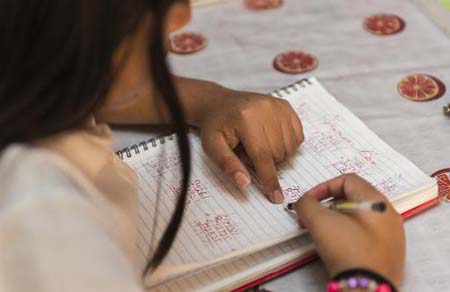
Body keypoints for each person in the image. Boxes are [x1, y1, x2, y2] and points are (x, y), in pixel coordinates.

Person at [0, 0, 405, 291]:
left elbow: (72, 77)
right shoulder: (45, 228)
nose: (183, 15)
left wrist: (207, 101)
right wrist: (367, 276)